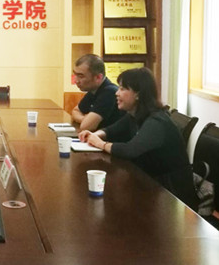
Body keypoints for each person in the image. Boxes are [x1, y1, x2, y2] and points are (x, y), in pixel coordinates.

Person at [78, 67, 198, 210]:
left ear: (138, 94)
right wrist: (96, 134)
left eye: (122, 89)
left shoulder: (157, 121)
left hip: (172, 196)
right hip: (151, 183)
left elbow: (130, 150)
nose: (117, 93)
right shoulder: (135, 114)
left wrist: (101, 144)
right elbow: (112, 129)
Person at [71, 54, 123, 131]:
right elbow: (75, 111)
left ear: (98, 77)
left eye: (81, 76)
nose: (76, 81)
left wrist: (86, 121)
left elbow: (86, 126)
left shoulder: (109, 92)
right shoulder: (94, 90)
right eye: (75, 75)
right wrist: (84, 119)